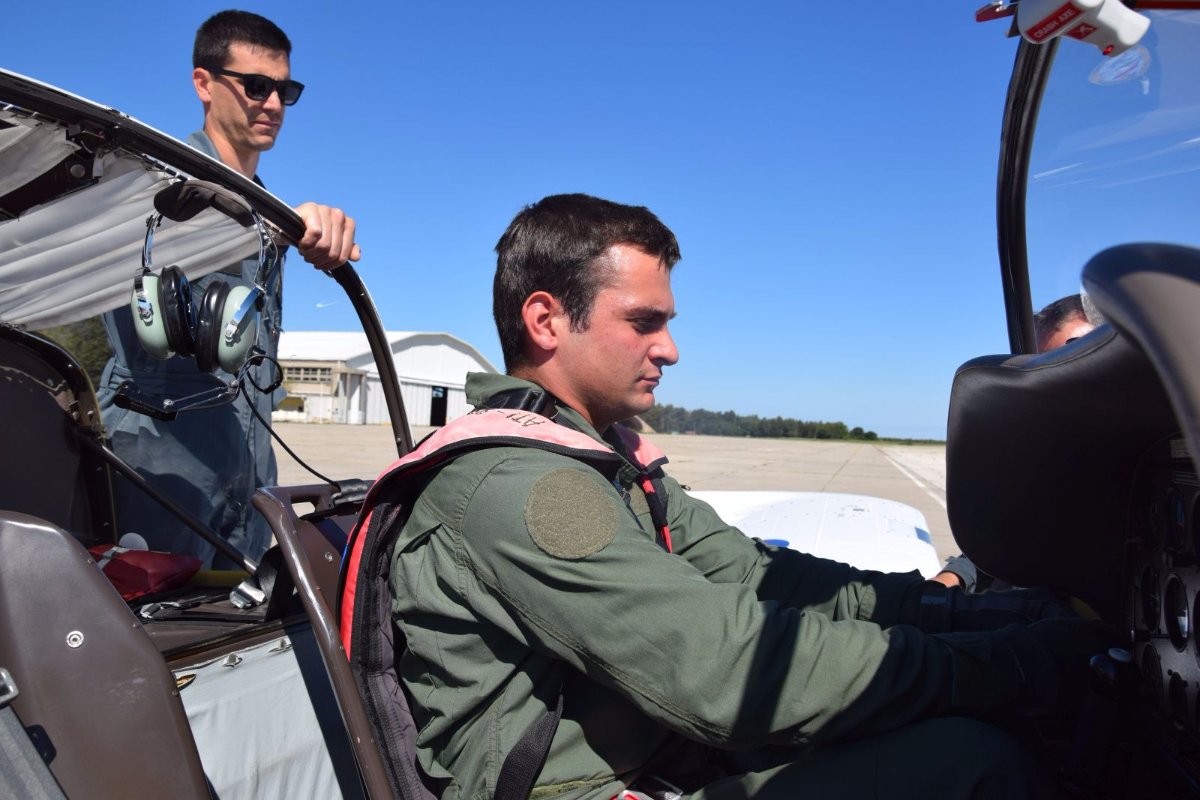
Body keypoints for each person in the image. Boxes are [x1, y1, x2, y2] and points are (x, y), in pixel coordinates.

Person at [379, 194, 1114, 799]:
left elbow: (763, 576)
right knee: (974, 766)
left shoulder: (602, 461)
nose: (669, 350)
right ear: (546, 321)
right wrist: (1013, 666)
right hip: (599, 788)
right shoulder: (523, 485)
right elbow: (726, 671)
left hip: (662, 759)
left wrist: (963, 615)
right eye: (643, 322)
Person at [97, 10, 359, 567]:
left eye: (285, 90)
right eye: (257, 86)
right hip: (160, 468)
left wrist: (291, 225)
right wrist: (279, 223)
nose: (274, 104)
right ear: (204, 83)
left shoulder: (268, 220)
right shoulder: (149, 191)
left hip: (250, 472)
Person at [933, 293, 1099, 589]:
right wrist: (948, 580)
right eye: (1043, 371)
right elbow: (1005, 542)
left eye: (1074, 361)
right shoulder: (1044, 458)